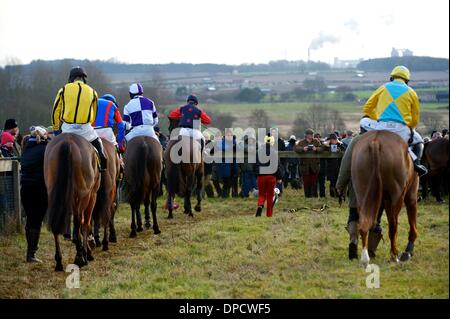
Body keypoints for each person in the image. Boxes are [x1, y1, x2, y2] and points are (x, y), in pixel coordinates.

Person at [359, 65, 427, 176]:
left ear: (392, 77)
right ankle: (417, 163)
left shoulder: (383, 88)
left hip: (380, 127)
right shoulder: (411, 92)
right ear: (406, 80)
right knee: (419, 140)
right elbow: (415, 117)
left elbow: (367, 108)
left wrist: (377, 119)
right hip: (401, 130)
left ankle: (364, 143)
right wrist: (410, 128)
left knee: (363, 121)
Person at [336, 127, 383, 260]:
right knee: (375, 219)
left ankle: (354, 240)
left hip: (357, 185)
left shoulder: (356, 140)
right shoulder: (383, 139)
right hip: (377, 186)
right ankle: (371, 249)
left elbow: (346, 165)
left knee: (354, 215)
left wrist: (340, 184)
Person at [51, 66, 107, 171]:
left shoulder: (63, 89)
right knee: (98, 144)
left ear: (71, 78)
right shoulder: (93, 92)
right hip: (85, 130)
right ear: (84, 78)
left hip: (67, 128)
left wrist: (55, 128)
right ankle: (103, 163)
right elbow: (94, 114)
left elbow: (55, 111)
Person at [20, 126, 49, 262]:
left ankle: (30, 252)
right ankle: (31, 254)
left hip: (25, 188)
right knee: (37, 220)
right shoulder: (45, 149)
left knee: (30, 219)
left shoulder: (25, 148)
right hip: (39, 188)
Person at [255, 135, 284, 217]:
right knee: (270, 196)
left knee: (261, 194)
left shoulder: (258, 151)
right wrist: (279, 177)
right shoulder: (274, 152)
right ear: (272, 142)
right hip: (271, 176)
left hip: (261, 176)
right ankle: (269, 215)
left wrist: (257, 174)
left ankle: (260, 205)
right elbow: (277, 166)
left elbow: (255, 165)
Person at [294, 129, 323, 198]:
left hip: (314, 166)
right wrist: (303, 149)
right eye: (310, 134)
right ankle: (307, 196)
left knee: (314, 182)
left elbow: (322, 148)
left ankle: (314, 196)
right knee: (306, 182)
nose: (312, 136)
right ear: (306, 135)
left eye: (312, 134)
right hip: (305, 166)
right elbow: (295, 148)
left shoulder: (316, 141)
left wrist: (316, 149)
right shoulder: (301, 142)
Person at [324, 133, 345, 197]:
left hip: (339, 166)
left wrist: (340, 150)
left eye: (335, 139)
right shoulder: (327, 145)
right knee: (332, 181)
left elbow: (345, 150)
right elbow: (323, 151)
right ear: (330, 140)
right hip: (330, 166)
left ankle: (338, 194)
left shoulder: (340, 144)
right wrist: (328, 147)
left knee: (338, 181)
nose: (334, 141)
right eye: (333, 140)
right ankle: (332, 194)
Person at [239, 133, 258, 197]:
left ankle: (255, 194)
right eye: (249, 139)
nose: (250, 140)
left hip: (253, 168)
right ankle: (245, 194)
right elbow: (245, 148)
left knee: (254, 182)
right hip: (246, 167)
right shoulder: (243, 145)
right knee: (246, 182)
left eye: (252, 139)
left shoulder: (256, 146)